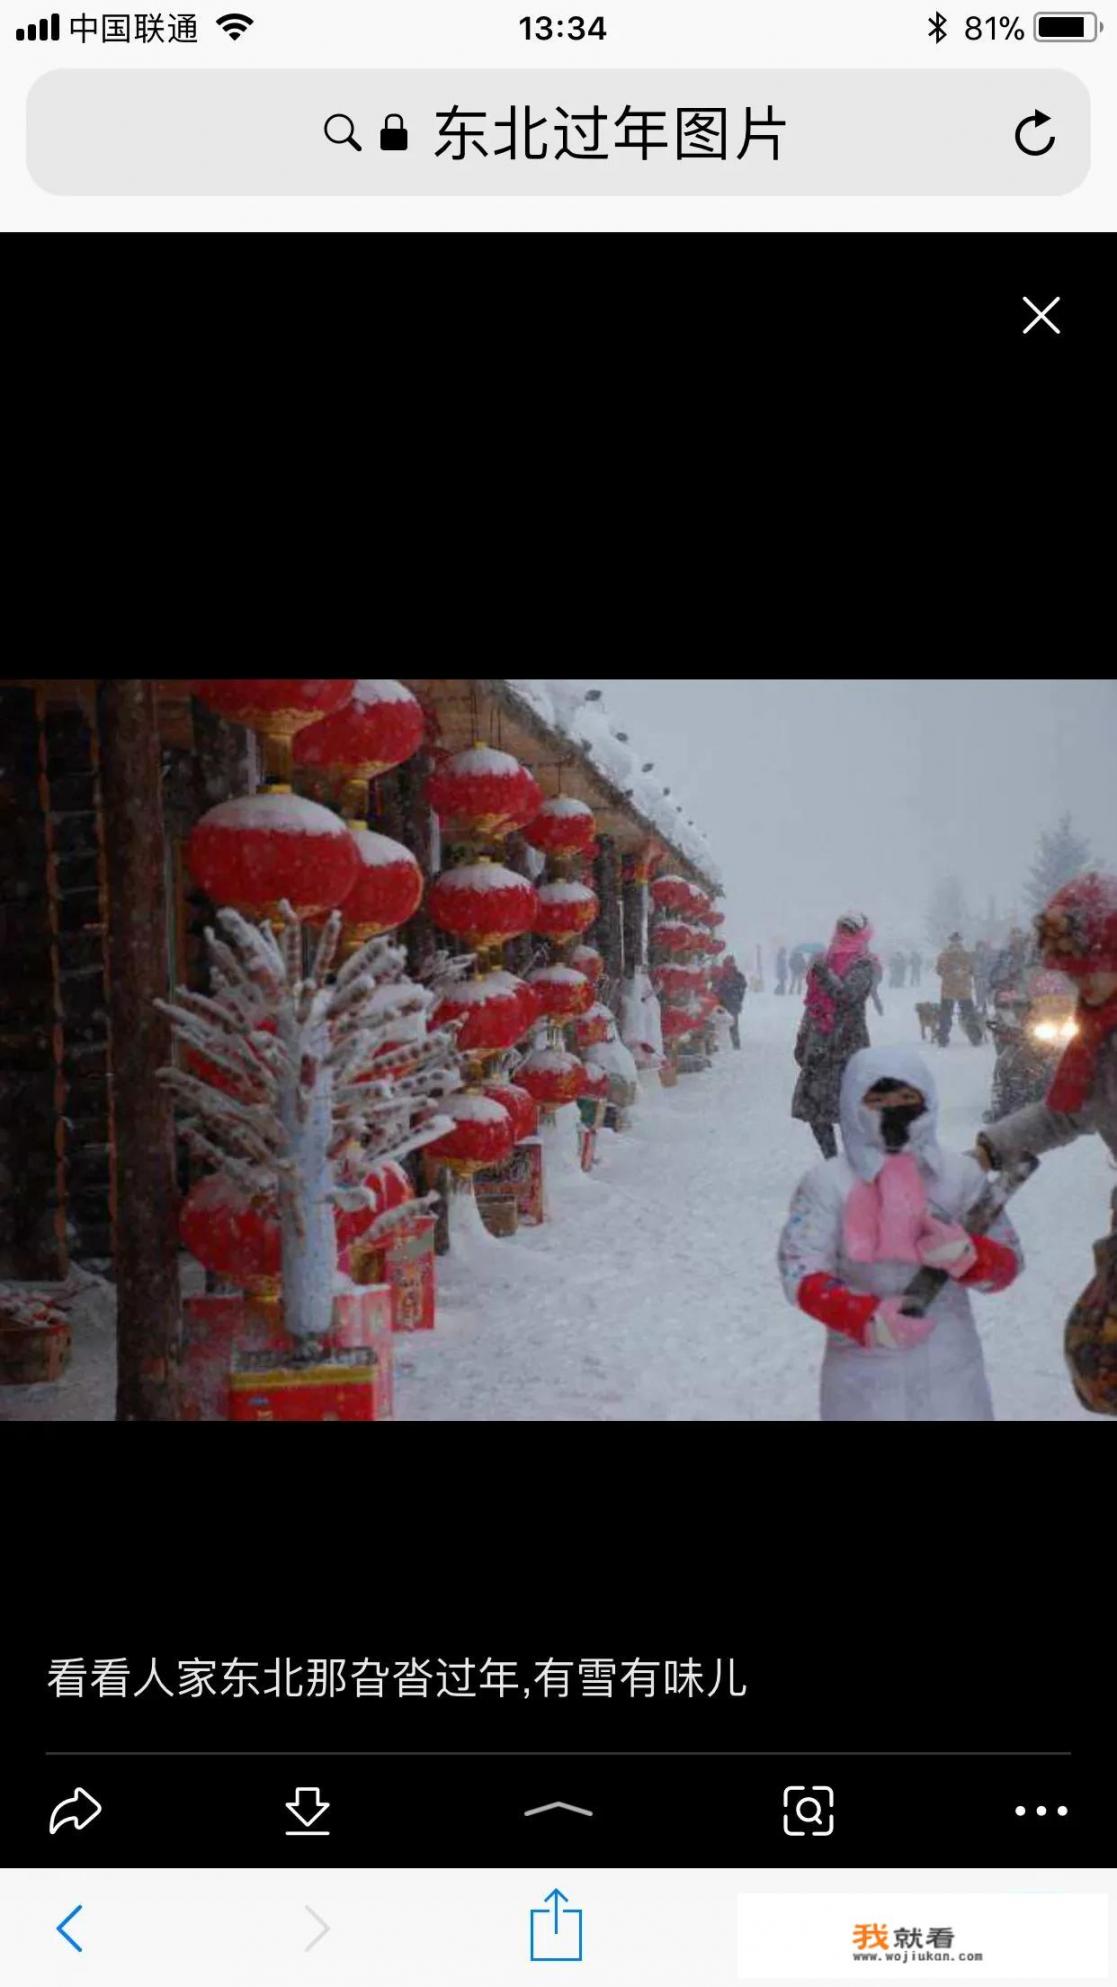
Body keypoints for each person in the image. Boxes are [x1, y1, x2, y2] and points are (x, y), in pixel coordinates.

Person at [779, 1045, 1022, 1421]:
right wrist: (860, 1315)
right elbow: (800, 1271)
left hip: (952, 1375)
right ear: (853, 1104)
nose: (894, 1108)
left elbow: (1009, 1262)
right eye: (877, 1099)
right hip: (861, 1378)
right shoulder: (827, 1183)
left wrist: (971, 1257)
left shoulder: (959, 1177)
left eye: (908, 1097)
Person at [791, 912, 876, 1159]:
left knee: (850, 1111)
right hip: (819, 1046)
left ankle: (856, 1159)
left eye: (850, 930)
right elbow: (813, 1003)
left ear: (861, 934)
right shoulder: (825, 958)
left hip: (848, 1046)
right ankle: (831, 1158)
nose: (843, 934)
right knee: (814, 1109)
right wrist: (803, 1037)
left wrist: (824, 973)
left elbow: (847, 996)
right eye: (841, 928)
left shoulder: (864, 964)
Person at [935, 932, 983, 1047]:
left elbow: (939, 971)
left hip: (948, 989)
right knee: (968, 1014)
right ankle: (974, 1037)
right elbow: (972, 970)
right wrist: (963, 974)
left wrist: (949, 975)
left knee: (946, 1014)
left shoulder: (943, 955)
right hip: (964, 989)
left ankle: (943, 1038)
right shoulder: (967, 955)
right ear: (960, 941)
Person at [715, 954, 748, 1050]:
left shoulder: (728, 975)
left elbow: (717, 988)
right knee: (732, 1025)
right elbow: (742, 987)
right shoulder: (736, 975)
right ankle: (735, 1044)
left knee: (723, 1025)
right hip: (730, 1003)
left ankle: (730, 1044)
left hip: (724, 1003)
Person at [972, 939, 993, 1015]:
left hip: (987, 978)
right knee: (979, 994)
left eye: (982, 947)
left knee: (989, 994)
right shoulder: (973, 956)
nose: (980, 949)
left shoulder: (988, 956)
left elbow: (991, 966)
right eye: (979, 947)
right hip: (978, 979)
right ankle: (980, 1008)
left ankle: (989, 1008)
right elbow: (971, 968)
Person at [869, 952, 885, 1017]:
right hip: (874, 981)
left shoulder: (869, 965)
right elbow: (880, 975)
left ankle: (880, 1009)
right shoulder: (878, 965)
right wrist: (878, 980)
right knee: (875, 996)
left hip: (869, 981)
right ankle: (880, 1010)